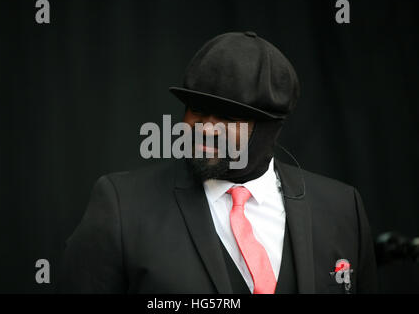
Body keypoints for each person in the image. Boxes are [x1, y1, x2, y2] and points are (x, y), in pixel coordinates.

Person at [60, 31, 378, 294]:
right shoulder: (122, 206)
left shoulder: (341, 208)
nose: (204, 128)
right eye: (196, 108)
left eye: (228, 117)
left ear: (272, 129)